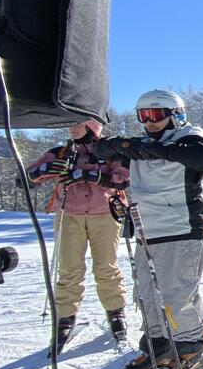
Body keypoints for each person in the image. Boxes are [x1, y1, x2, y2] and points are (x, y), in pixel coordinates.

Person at [94, 90, 203, 369]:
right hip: (147, 230)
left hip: (183, 229)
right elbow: (101, 151)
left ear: (176, 114)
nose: (150, 122)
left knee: (177, 293)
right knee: (147, 293)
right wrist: (125, 147)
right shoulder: (141, 146)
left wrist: (142, 149)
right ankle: (158, 343)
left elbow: (202, 157)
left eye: (157, 115)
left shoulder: (190, 138)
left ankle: (191, 343)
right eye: (143, 116)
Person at [27, 120, 128, 354]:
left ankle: (115, 311)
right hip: (69, 214)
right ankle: (65, 316)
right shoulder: (61, 151)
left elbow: (123, 178)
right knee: (69, 268)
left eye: (78, 124)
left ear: (92, 126)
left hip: (104, 213)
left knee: (106, 267)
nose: (72, 128)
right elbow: (29, 176)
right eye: (70, 124)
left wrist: (87, 175)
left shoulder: (110, 149)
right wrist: (47, 170)